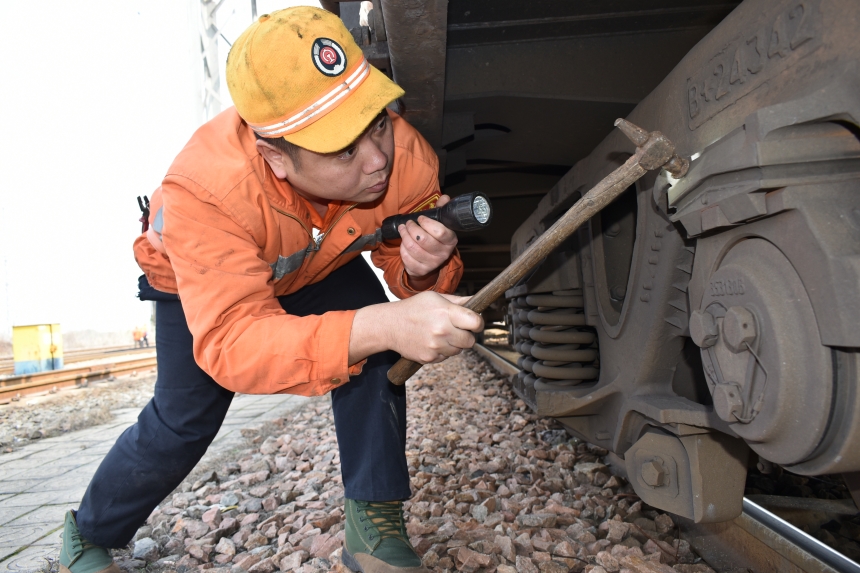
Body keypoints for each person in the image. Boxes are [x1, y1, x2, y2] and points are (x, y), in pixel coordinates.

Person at [57, 7, 482, 573]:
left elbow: (404, 275)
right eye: (344, 149)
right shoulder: (205, 192)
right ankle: (88, 532)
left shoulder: (402, 157)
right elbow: (233, 342)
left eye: (375, 121)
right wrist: (378, 325)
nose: (378, 159)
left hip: (313, 263)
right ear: (275, 156)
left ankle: (374, 524)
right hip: (202, 286)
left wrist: (425, 268)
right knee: (183, 421)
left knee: (371, 347)